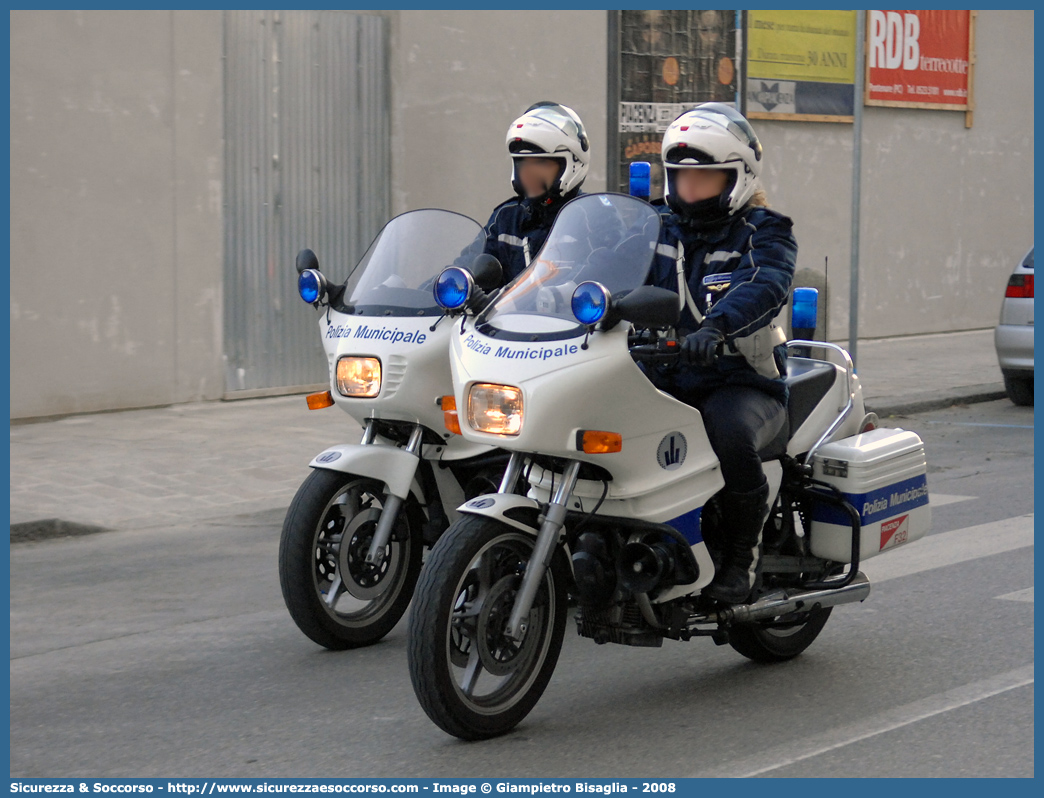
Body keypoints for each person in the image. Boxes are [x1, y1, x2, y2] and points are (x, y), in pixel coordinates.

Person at [645, 103, 798, 605]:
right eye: (681, 178)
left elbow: (766, 282)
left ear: (736, 178)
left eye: (704, 178)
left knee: (727, 430)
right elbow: (608, 269)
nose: (689, 189)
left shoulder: (764, 230)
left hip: (740, 379)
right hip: (663, 373)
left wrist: (716, 327)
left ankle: (740, 561)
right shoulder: (656, 227)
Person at [482, 102, 590, 283]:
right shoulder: (506, 218)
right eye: (523, 164)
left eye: (541, 164)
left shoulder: (594, 217)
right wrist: (432, 290)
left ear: (573, 163)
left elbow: (612, 272)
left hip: (568, 311)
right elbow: (471, 262)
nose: (529, 174)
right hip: (509, 313)